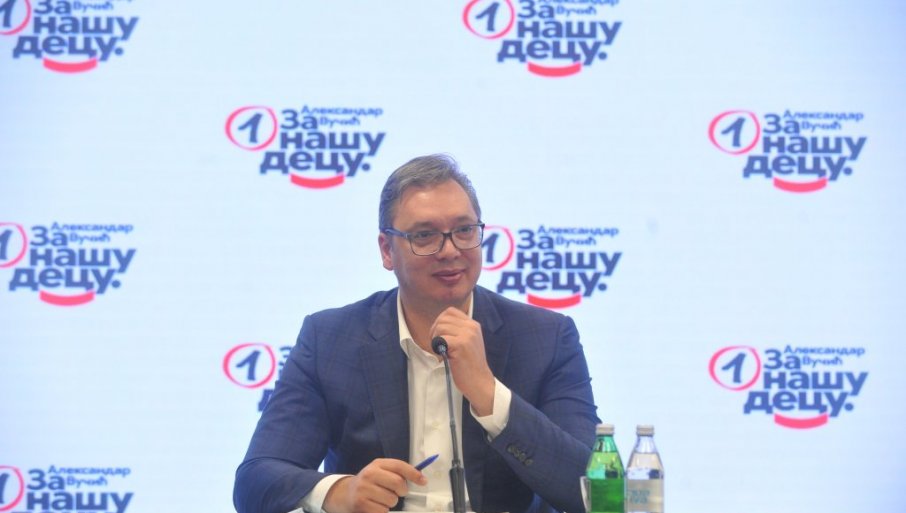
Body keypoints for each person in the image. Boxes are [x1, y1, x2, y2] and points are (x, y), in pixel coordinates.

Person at [234, 154, 599, 513]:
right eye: (425, 236)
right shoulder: (330, 339)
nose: (450, 250)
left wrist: (490, 395)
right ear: (386, 250)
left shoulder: (546, 338)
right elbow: (256, 480)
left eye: (464, 230)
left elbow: (592, 492)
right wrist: (340, 492)